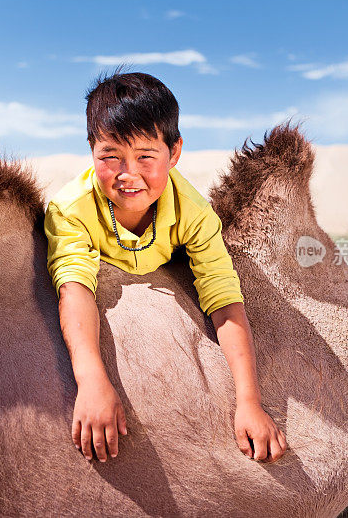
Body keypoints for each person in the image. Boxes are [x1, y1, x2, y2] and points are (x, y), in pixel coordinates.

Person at [44, 70, 287, 464]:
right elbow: (75, 286)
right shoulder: (70, 210)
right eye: (110, 156)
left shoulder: (194, 212)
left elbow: (223, 297)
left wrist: (249, 401)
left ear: (174, 153)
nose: (128, 174)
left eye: (145, 156)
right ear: (91, 151)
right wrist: (90, 381)